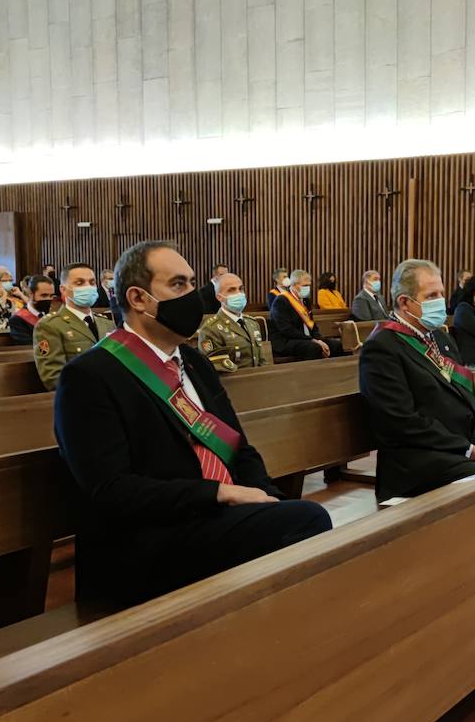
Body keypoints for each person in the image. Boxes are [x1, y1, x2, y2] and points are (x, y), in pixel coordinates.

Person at [54, 240, 331, 608]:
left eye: (191, 283)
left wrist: (268, 498)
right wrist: (218, 493)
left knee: (295, 520)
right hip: (147, 541)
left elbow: (238, 448)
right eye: (178, 285)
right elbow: (112, 489)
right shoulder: (89, 375)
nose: (194, 297)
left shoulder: (194, 363)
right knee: (308, 521)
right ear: (138, 298)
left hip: (210, 522)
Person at [358, 258, 475, 499]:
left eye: (441, 293)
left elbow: (471, 399)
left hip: (465, 447)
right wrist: (472, 451)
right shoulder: (382, 347)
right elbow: (401, 422)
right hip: (420, 460)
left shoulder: (441, 339)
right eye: (432, 295)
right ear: (405, 302)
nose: (441, 302)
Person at [33, 264, 112, 390]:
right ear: (63, 290)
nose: (88, 287)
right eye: (80, 283)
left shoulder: (107, 323)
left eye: (92, 282)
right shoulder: (50, 326)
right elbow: (53, 377)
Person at [197, 272, 269, 372]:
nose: (238, 294)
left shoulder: (252, 323)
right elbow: (217, 369)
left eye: (241, 289)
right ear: (219, 297)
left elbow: (261, 360)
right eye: (231, 290)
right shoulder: (210, 329)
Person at [269, 269, 344, 361]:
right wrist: (312, 340)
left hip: (305, 339)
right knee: (314, 348)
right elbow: (287, 329)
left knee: (338, 345)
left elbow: (311, 323)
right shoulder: (281, 301)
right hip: (286, 340)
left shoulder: (305, 300)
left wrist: (319, 339)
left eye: (309, 285)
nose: (308, 288)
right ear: (294, 285)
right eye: (305, 285)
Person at [9, 275, 55, 345]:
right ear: (31, 294)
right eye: (44, 295)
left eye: (51, 296)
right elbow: (26, 347)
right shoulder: (18, 319)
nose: (48, 299)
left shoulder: (54, 315)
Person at [0, 266, 29, 333]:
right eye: (4, 281)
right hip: (2, 329)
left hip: (21, 328)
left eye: (10, 280)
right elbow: (0, 309)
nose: (8, 282)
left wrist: (20, 294)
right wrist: (4, 294)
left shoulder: (15, 294)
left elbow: (31, 306)